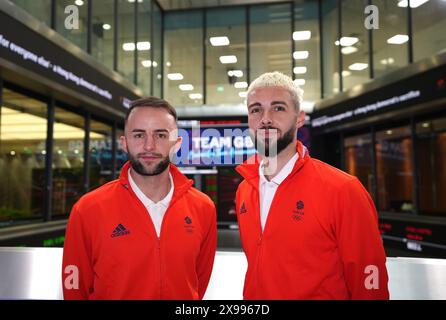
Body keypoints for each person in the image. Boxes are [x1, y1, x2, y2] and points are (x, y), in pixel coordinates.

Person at [235, 71, 389, 299]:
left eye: (278, 108)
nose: (265, 118)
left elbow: (370, 280)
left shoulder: (343, 189)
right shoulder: (245, 190)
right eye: (256, 109)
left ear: (299, 118)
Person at [62, 97, 217, 300]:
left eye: (160, 135)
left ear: (177, 143)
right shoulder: (88, 209)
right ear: (124, 143)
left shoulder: (203, 207)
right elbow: (75, 289)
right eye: (138, 135)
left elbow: (197, 282)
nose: (149, 146)